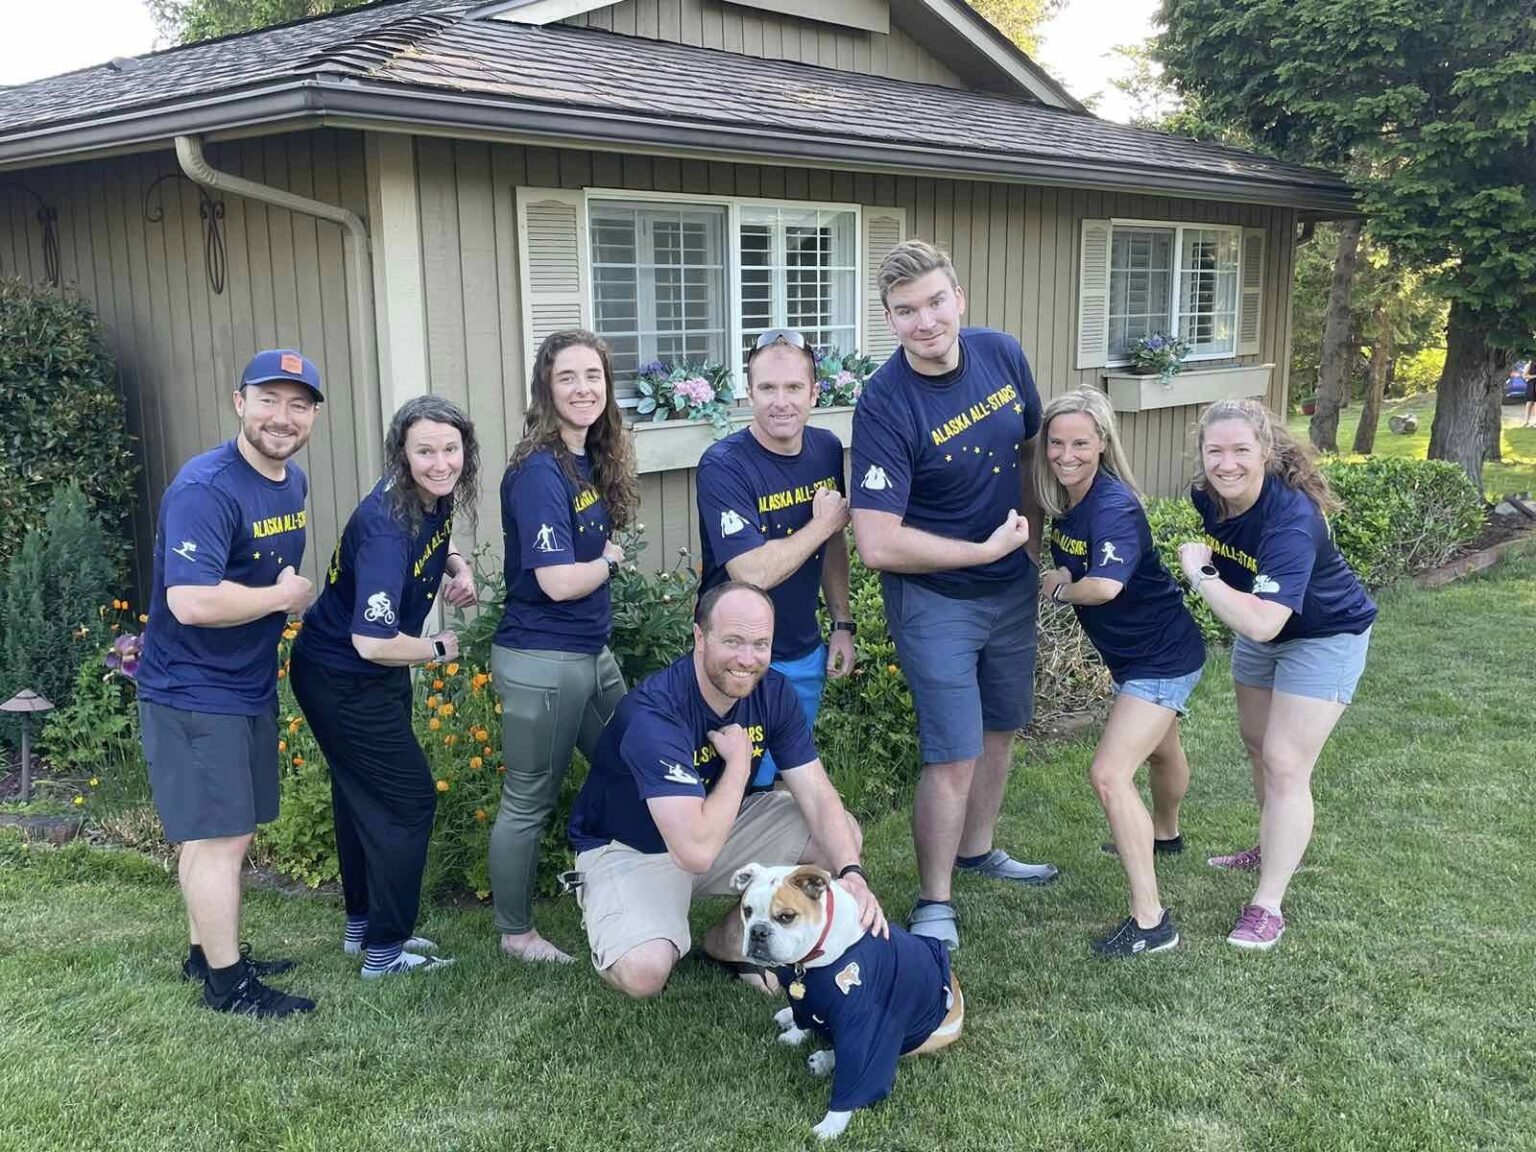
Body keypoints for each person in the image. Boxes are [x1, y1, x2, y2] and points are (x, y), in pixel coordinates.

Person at [849, 239, 1053, 952]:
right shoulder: (883, 404)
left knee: (1000, 728)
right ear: (889, 318)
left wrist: (1028, 545)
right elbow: (876, 542)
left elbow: (1029, 448)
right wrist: (982, 551)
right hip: (935, 600)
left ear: (959, 298)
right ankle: (935, 899)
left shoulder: (1001, 354)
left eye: (936, 302)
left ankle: (979, 850)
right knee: (954, 751)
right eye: (906, 311)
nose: (926, 321)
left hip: (1010, 588)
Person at [566, 581, 885, 999]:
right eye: (733, 641)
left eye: (760, 644)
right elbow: (694, 852)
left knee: (839, 835)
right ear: (700, 637)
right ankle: (615, 904)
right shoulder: (655, 715)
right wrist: (738, 763)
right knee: (644, 973)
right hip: (632, 847)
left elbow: (818, 794)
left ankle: (733, 941)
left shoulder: (772, 692)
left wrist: (853, 875)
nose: (747, 659)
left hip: (718, 826)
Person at [136, 349, 322, 1018]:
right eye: (268, 400)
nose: (283, 416)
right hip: (192, 689)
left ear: (312, 417)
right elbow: (190, 600)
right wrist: (282, 599)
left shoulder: (289, 482)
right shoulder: (205, 488)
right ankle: (227, 984)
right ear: (240, 402)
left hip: (242, 684)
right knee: (222, 839)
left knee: (211, 834)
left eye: (298, 404)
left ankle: (202, 952)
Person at [288, 395, 479, 978]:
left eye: (450, 449)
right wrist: (440, 649)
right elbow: (372, 641)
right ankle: (384, 953)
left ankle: (362, 930)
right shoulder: (386, 528)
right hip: (345, 677)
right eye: (425, 451)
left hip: (363, 676)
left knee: (359, 795)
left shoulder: (428, 499)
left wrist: (458, 569)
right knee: (407, 800)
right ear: (402, 453)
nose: (440, 462)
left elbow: (435, 544)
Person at [1178, 398, 1376, 951]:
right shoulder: (1206, 497)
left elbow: (1263, 622)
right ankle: (1272, 841)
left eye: (1241, 449)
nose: (1227, 463)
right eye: (1214, 450)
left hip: (1323, 634)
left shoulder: (1292, 519)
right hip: (1263, 624)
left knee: (1287, 764)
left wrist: (1201, 574)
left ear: (1265, 451)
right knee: (1259, 745)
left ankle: (1267, 905)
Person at [1035, 388, 1205, 957]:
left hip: (1160, 657)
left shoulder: (1112, 505)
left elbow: (1104, 586)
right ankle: (1166, 834)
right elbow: (1076, 557)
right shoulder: (1071, 501)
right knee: (1160, 749)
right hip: (1136, 656)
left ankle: (1152, 921)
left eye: (1080, 442)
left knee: (1109, 774)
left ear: (1102, 444)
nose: (1066, 454)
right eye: (1056, 442)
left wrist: (1061, 589)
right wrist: (1063, 567)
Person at [488, 330, 639, 964]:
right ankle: (516, 933)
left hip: (590, 653)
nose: (583, 389)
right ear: (545, 390)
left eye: (593, 377)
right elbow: (555, 581)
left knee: (633, 767)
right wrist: (608, 559)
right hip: (542, 661)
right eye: (567, 378)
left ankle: (623, 888)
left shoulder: (587, 459)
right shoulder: (539, 471)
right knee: (529, 799)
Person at [696, 327, 856, 780]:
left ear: (815, 392)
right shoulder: (723, 465)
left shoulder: (825, 449)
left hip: (804, 651)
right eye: (767, 388)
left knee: (792, 776)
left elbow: (832, 546)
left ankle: (792, 851)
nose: (780, 401)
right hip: (738, 658)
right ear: (748, 393)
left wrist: (842, 624)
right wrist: (824, 522)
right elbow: (749, 572)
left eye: (793, 388)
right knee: (738, 788)